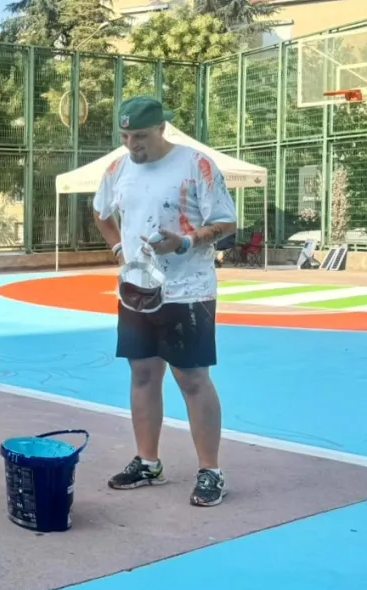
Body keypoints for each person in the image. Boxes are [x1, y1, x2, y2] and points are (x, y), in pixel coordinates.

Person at [91, 96, 238, 508]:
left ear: (161, 129)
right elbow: (101, 212)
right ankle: (148, 463)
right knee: (142, 374)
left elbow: (227, 222)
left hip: (188, 290)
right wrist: (119, 250)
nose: (131, 144)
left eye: (139, 136)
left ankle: (211, 471)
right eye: (124, 136)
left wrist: (186, 241)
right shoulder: (117, 169)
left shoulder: (196, 164)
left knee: (192, 378)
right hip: (136, 289)